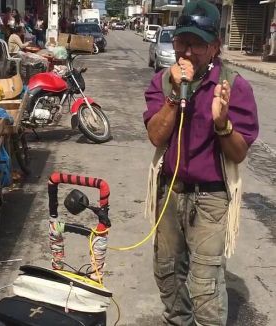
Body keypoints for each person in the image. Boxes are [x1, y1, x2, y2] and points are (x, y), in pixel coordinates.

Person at [143, 1, 259, 325]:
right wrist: (174, 96)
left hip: (210, 200)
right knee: (167, 274)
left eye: (197, 44)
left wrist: (223, 124)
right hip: (170, 193)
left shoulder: (234, 86)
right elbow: (156, 136)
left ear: (215, 47)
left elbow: (239, 153)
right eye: (182, 42)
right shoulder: (164, 81)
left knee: (205, 287)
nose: (187, 52)